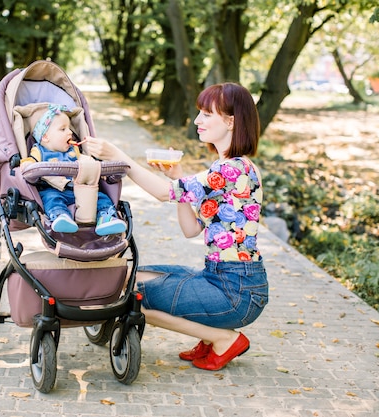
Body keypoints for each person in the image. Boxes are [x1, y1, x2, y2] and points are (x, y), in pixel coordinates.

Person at [86, 82, 268, 371]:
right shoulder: (229, 167)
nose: (198, 120)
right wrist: (179, 176)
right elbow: (191, 229)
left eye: (207, 113)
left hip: (235, 291)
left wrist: (119, 156)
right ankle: (212, 337)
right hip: (224, 280)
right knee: (133, 276)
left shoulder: (232, 168)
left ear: (231, 121)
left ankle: (221, 338)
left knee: (136, 297)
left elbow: (162, 193)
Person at [22, 103, 126, 236]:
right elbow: (31, 162)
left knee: (101, 197)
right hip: (54, 189)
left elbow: (84, 159)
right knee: (50, 199)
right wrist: (26, 165)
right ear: (45, 137)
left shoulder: (74, 150)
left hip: (80, 188)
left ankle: (106, 218)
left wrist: (95, 165)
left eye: (69, 128)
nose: (70, 132)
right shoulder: (39, 151)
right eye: (63, 129)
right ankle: (61, 217)